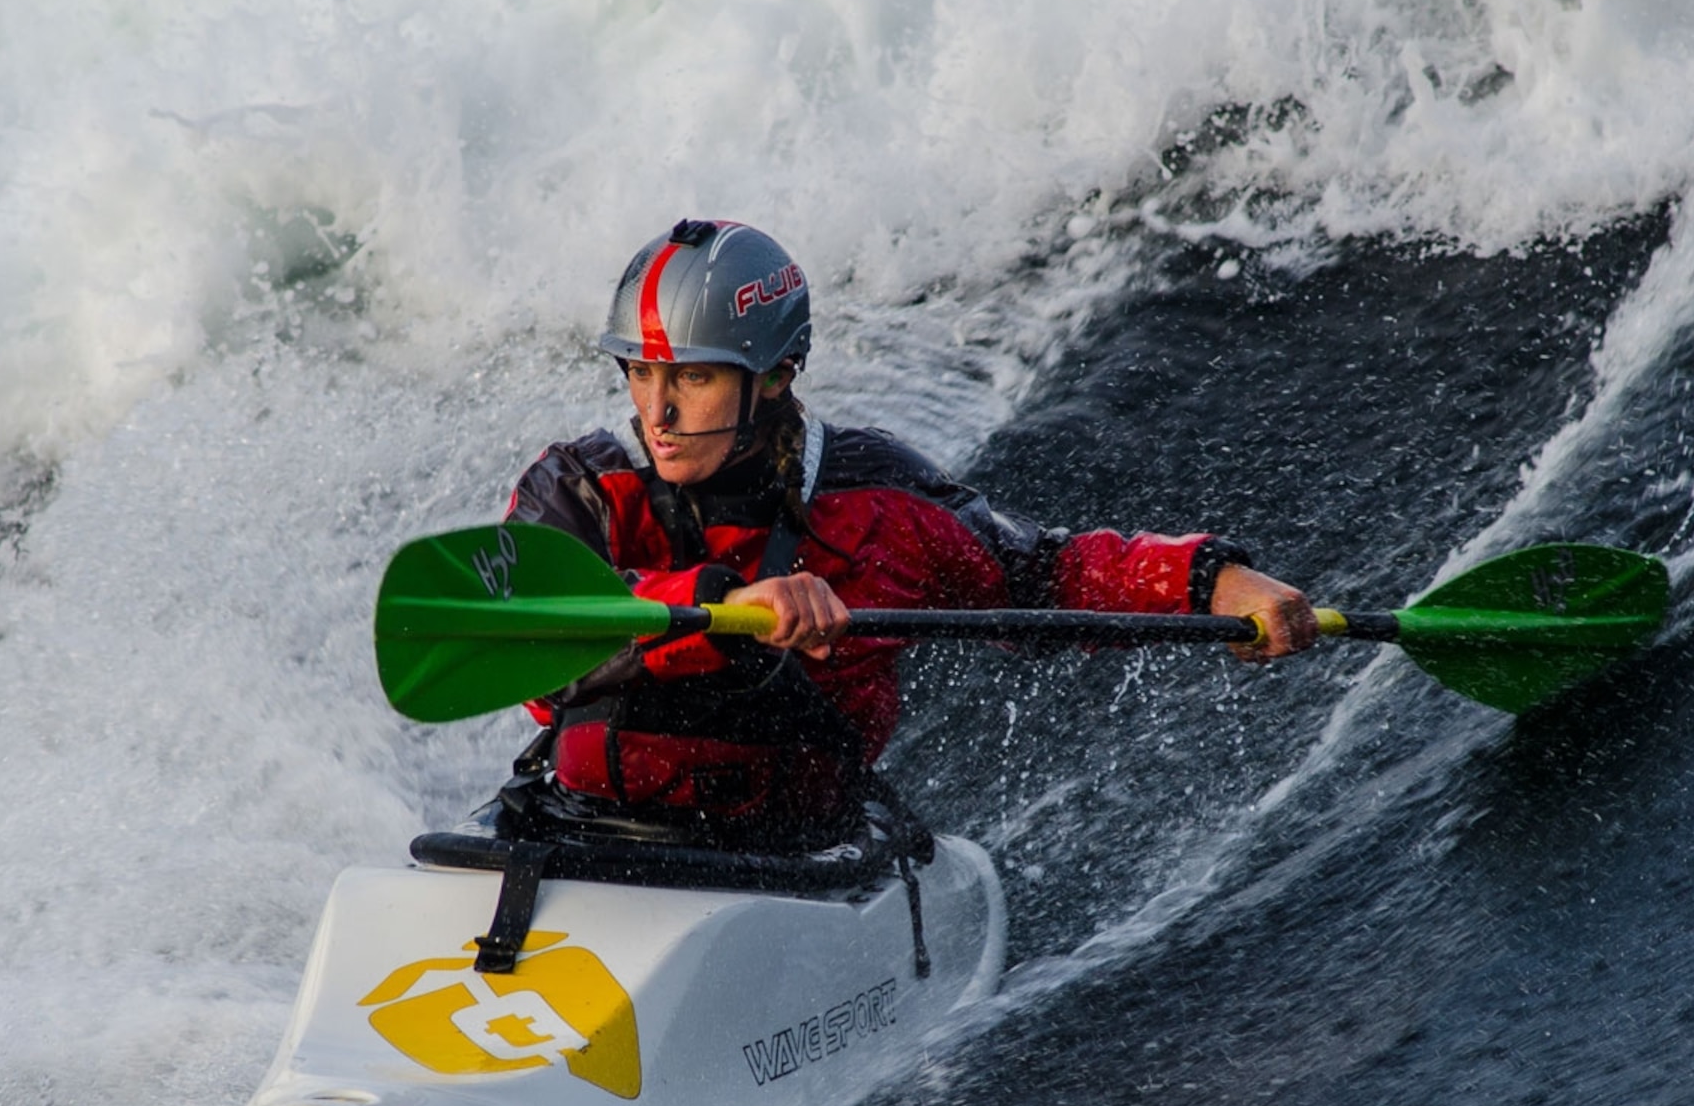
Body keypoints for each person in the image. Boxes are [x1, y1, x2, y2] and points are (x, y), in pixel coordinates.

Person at [495, 218, 1316, 847]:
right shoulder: (577, 488)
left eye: (693, 377)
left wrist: (1208, 579)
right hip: (576, 840)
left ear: (775, 376)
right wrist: (724, 608)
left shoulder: (880, 497)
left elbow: (1043, 576)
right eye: (641, 371)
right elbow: (532, 646)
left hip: (791, 866)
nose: (658, 411)